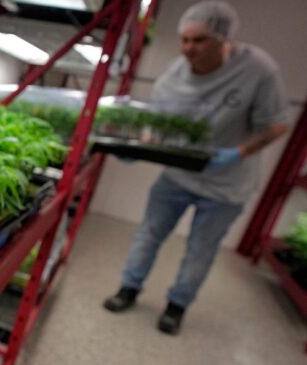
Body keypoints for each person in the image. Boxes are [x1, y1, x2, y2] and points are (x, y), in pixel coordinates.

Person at [103, 1, 290, 335]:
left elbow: (277, 124)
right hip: (177, 176)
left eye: (199, 40)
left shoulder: (257, 69)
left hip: (227, 185)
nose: (188, 48)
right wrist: (138, 146)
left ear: (222, 38)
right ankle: (128, 288)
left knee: (200, 251)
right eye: (184, 40)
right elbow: (157, 125)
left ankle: (177, 306)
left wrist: (238, 152)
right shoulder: (173, 77)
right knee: (148, 234)